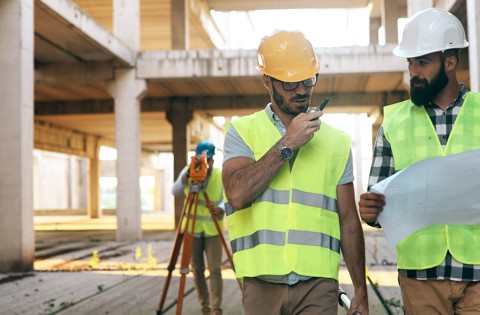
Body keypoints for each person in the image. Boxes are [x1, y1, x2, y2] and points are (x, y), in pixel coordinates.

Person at [222, 30, 368, 315]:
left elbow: (349, 219)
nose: (301, 90)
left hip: (319, 286)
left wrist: (360, 288)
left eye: (307, 80)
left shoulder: (337, 142)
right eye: (290, 84)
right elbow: (236, 194)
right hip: (260, 283)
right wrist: (288, 142)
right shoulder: (242, 131)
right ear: (267, 80)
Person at [359, 8, 480, 314]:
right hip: (420, 275)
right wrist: (370, 211)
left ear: (450, 62)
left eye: (422, 62)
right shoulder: (394, 122)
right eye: (410, 62)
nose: (413, 71)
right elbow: (378, 201)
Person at [171, 140, 225, 315]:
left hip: (213, 230)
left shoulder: (219, 175)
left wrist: (221, 209)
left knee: (215, 270)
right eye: (202, 159)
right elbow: (175, 191)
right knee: (197, 270)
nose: (205, 163)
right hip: (192, 231)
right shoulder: (188, 171)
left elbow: (228, 198)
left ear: (212, 161)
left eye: (208, 160)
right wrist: (185, 178)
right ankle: (205, 308)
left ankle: (216, 309)